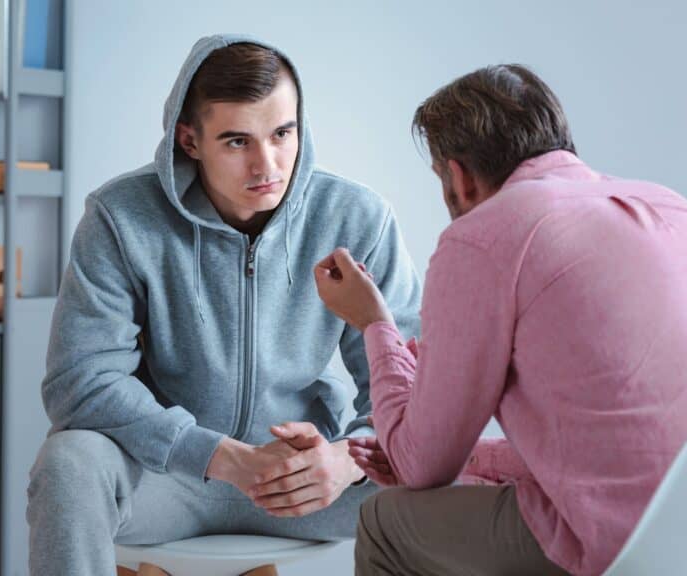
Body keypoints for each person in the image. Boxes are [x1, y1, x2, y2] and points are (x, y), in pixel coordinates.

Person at [314, 64, 687, 575]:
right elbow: (619, 444)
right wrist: (472, 461)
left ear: (457, 178)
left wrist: (375, 323)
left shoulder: (485, 235)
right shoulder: (682, 211)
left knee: (384, 522)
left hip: (639, 550)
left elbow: (421, 467)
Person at [27, 34, 421, 576]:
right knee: (68, 463)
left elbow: (412, 378)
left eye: (284, 133)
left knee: (442, 482)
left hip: (309, 482)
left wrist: (346, 459)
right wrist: (220, 457)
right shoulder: (120, 217)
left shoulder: (357, 218)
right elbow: (79, 381)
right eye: (238, 142)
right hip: (168, 477)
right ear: (190, 140)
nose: (268, 164)